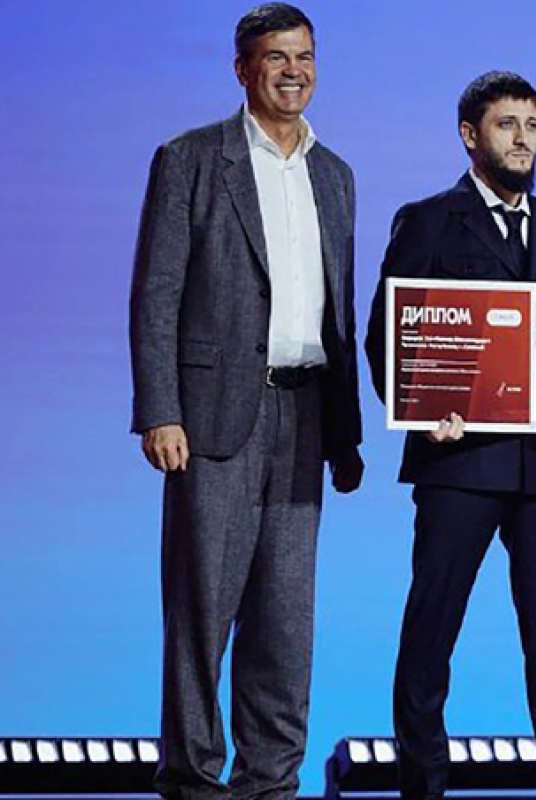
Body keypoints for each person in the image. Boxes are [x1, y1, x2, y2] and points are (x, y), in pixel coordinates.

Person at [364, 71, 536, 800]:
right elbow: (387, 337)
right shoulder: (427, 221)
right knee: (432, 630)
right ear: (469, 135)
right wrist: (419, 409)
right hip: (458, 460)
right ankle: (422, 785)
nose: (522, 139)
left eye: (532, 125)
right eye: (507, 124)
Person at [128, 4, 364, 798]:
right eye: (276, 57)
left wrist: (346, 435)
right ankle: (193, 781)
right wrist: (160, 409)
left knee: (285, 625)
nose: (294, 71)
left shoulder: (335, 174)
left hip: (306, 417)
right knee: (202, 614)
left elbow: (340, 312)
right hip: (212, 420)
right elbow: (157, 293)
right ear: (242, 69)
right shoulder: (192, 158)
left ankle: (270, 783)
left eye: (305, 56)